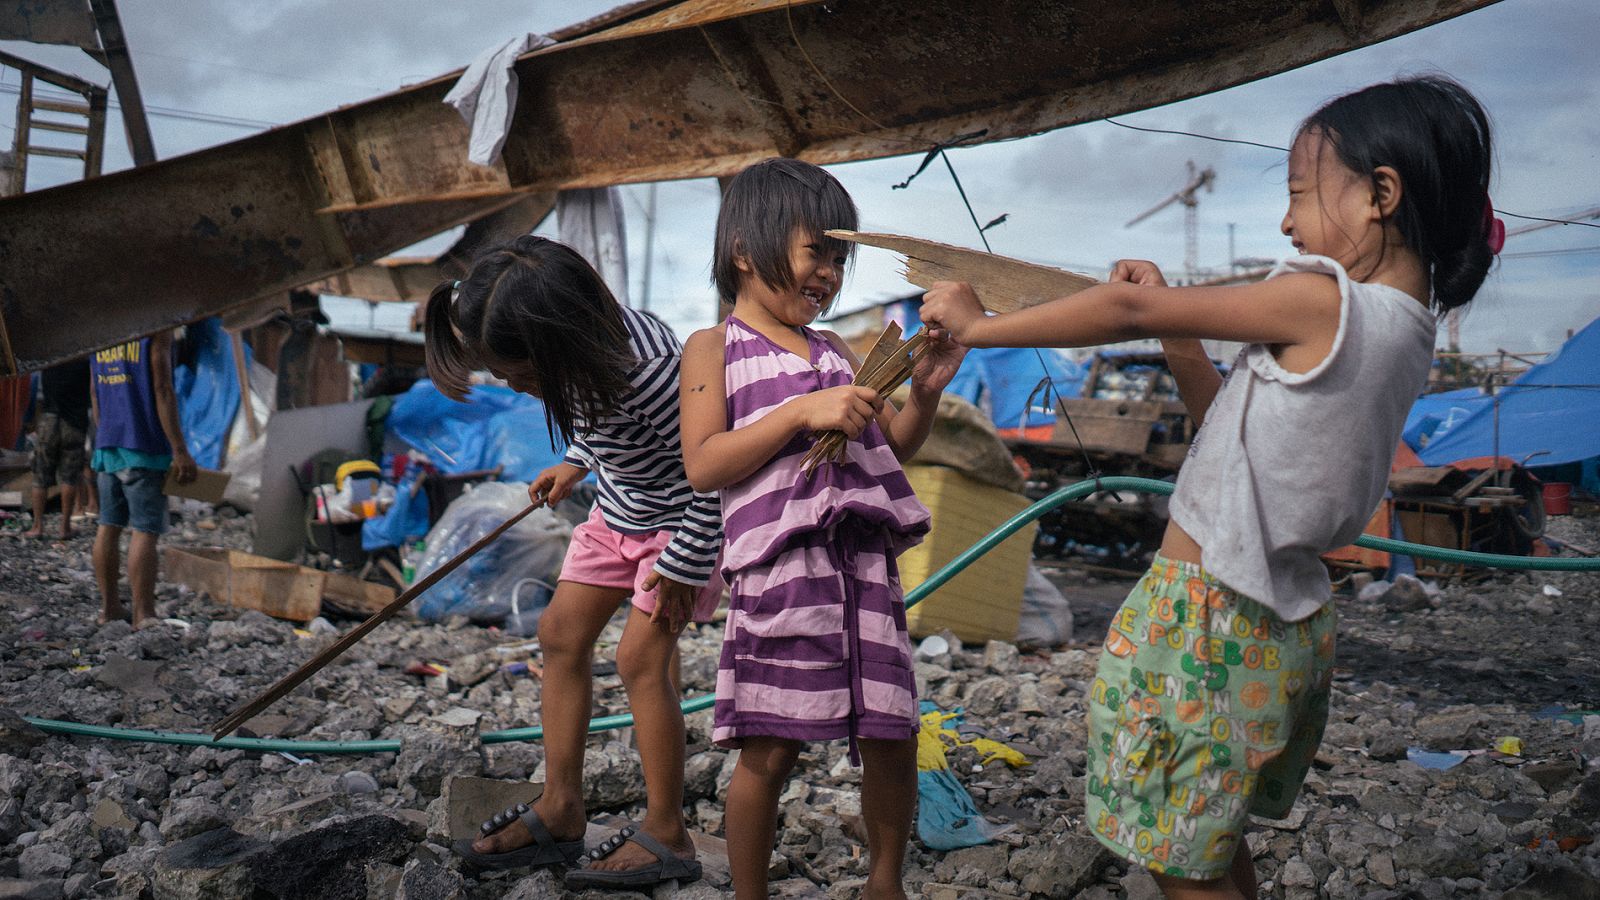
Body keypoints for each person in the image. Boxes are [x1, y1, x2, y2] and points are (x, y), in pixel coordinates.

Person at [920, 76, 1496, 898]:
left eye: (1300, 194)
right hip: (1274, 620)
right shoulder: (1403, 330)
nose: (1288, 221)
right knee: (1203, 833)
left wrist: (979, 327)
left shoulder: (1326, 299)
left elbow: (1117, 307)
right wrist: (1183, 345)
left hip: (1207, 617)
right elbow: (1234, 434)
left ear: (1380, 196)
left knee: (1171, 844)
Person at [678, 157, 967, 900]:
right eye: (818, 252)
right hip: (783, 577)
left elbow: (888, 449)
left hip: (864, 570)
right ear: (746, 248)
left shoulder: (839, 351)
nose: (831, 273)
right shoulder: (714, 349)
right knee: (770, 751)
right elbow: (705, 464)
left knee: (890, 735)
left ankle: (883, 882)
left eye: (841, 259)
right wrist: (801, 412)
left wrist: (925, 395)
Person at [423, 236, 722, 890]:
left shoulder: (655, 375)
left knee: (640, 661)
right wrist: (576, 461)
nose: (518, 388)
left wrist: (686, 562)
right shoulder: (585, 352)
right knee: (558, 636)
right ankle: (561, 805)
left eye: (522, 376)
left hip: (680, 525)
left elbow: (716, 473)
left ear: (562, 346)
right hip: (617, 511)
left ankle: (668, 831)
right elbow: (594, 414)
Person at [91, 331, 197, 627]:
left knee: (108, 527)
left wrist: (106, 434)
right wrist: (179, 449)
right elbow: (162, 387)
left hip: (108, 443)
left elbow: (94, 392)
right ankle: (143, 613)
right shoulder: (155, 332)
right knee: (144, 531)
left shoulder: (96, 334)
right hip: (144, 445)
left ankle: (109, 608)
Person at [24, 357, 92, 540]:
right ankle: (64, 527)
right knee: (69, 477)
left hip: (49, 419)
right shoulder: (85, 358)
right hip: (75, 422)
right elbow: (92, 389)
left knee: (40, 476)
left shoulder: (50, 358)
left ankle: (37, 526)